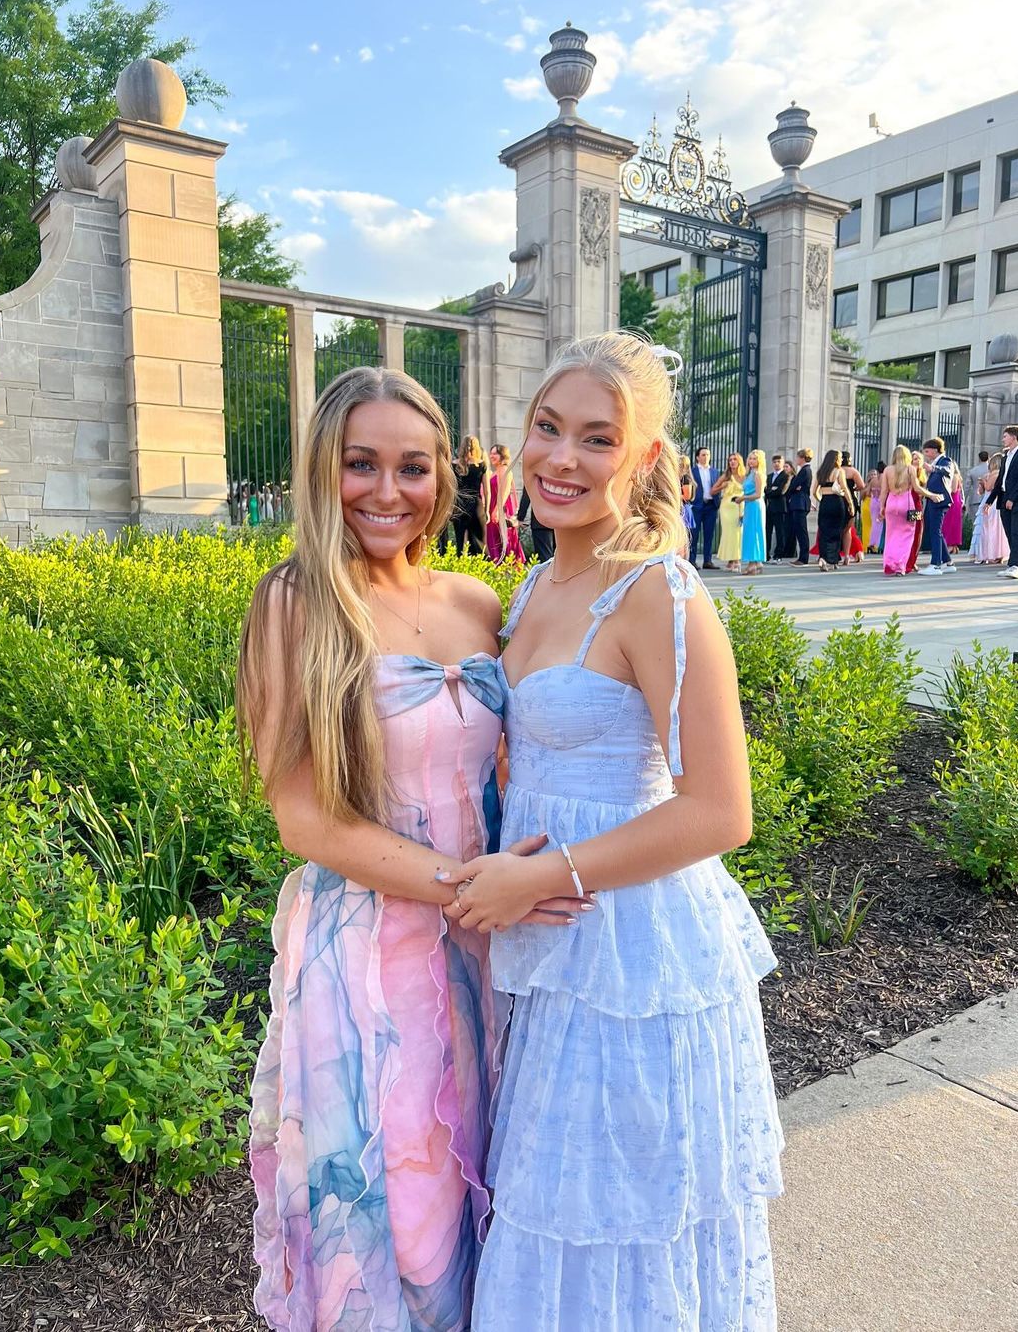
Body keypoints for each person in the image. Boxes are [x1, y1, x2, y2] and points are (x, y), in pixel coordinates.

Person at [438, 331, 782, 1331]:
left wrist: (546, 874)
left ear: (642, 457)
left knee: (623, 1215)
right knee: (553, 1203)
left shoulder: (658, 590)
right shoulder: (533, 587)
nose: (561, 458)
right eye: (548, 427)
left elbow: (721, 809)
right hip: (546, 946)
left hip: (632, 953)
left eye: (597, 438)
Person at [238, 367, 586, 1332]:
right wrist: (477, 888)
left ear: (444, 476)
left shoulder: (478, 601)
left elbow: (525, 756)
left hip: (490, 946)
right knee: (403, 1218)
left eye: (413, 466)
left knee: (490, 1196)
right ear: (324, 469)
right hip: (371, 963)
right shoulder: (296, 603)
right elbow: (306, 822)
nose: (387, 491)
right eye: (361, 464)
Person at [879, 445, 939, 576]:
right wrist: (931, 495)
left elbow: (883, 492)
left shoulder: (887, 470)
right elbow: (917, 488)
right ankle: (901, 566)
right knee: (907, 536)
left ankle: (890, 563)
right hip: (906, 504)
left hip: (891, 504)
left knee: (891, 536)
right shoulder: (910, 469)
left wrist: (881, 507)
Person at [920, 437, 958, 575]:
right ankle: (948, 562)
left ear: (935, 450)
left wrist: (933, 468)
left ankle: (935, 564)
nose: (925, 454)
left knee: (935, 531)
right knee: (935, 531)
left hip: (940, 500)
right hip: (933, 500)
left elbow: (947, 470)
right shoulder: (936, 462)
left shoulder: (945, 460)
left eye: (927, 451)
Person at [986, 424, 1018, 578]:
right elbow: (1000, 481)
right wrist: (990, 500)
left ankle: (1015, 565)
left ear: (1014, 437)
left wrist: (1013, 498)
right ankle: (1014, 564)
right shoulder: (1006, 456)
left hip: (1015, 499)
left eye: (1005, 436)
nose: (1003, 439)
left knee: (1016, 533)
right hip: (1004, 499)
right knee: (1009, 533)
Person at [813, 448, 853, 571]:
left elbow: (814, 491)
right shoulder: (839, 471)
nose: (841, 460)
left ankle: (823, 557)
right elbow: (844, 488)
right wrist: (850, 504)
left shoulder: (820, 472)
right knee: (836, 531)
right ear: (835, 459)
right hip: (837, 502)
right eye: (840, 458)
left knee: (824, 531)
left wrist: (821, 499)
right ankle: (833, 559)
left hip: (825, 502)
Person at [486, 443, 526, 564]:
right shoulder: (496, 471)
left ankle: (508, 565)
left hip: (502, 508)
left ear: (502, 455)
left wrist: (497, 510)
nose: (492, 456)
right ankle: (498, 564)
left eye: (495, 453)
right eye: (491, 453)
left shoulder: (504, 469)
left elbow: (505, 491)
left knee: (504, 536)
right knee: (495, 537)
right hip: (494, 507)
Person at [450, 434, 490, 555]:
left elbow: (451, 488)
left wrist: (450, 507)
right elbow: (487, 491)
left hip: (459, 505)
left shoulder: (454, 465)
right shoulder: (481, 465)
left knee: (460, 540)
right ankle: (479, 562)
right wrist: (487, 510)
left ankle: (461, 562)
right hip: (476, 504)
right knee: (478, 541)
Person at [971, 453, 1009, 564]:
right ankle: (998, 553)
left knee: (989, 529)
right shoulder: (998, 474)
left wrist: (983, 482)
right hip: (993, 501)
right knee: (997, 529)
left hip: (991, 502)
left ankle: (991, 553)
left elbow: (988, 488)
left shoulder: (994, 474)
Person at [735, 448, 767, 575]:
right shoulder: (750, 474)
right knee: (750, 533)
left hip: (755, 505)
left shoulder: (758, 474)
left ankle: (753, 564)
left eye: (754, 459)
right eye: (750, 458)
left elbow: (758, 494)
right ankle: (757, 563)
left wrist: (743, 498)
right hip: (749, 505)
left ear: (759, 461)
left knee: (754, 532)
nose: (751, 461)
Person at [689, 445, 720, 569]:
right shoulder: (693, 471)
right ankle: (692, 560)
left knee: (709, 534)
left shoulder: (715, 472)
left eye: (708, 454)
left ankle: (708, 561)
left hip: (711, 506)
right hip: (697, 506)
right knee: (694, 534)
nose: (706, 457)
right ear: (697, 457)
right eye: (703, 455)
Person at [715, 451, 746, 572]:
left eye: (734, 459)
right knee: (728, 534)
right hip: (726, 507)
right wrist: (723, 486)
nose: (732, 462)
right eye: (730, 460)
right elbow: (713, 490)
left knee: (738, 533)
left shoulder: (745, 476)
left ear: (739, 461)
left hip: (739, 507)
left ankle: (736, 560)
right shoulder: (726, 476)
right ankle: (731, 560)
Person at [839, 451, 867, 563]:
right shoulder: (853, 471)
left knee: (837, 528)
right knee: (848, 530)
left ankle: (835, 553)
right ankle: (846, 556)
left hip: (839, 499)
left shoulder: (836, 471)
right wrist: (854, 489)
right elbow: (862, 485)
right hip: (850, 499)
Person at [787, 448, 813, 565]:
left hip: (800, 503)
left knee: (801, 531)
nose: (796, 459)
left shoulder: (805, 470)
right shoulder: (804, 470)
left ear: (802, 458)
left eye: (798, 457)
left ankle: (803, 558)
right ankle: (802, 557)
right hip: (799, 503)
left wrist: (795, 487)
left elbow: (793, 485)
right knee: (799, 530)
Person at [516, 485, 555, 562]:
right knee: (559, 556)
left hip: (540, 521)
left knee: (545, 557)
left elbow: (527, 495)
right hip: (559, 521)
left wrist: (520, 517)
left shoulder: (535, 478)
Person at [764, 453, 790, 563]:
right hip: (769, 507)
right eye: (774, 462)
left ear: (783, 463)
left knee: (780, 532)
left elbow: (780, 491)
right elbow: (765, 491)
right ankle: (766, 554)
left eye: (779, 462)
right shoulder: (769, 476)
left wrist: (771, 491)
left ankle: (778, 555)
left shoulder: (785, 476)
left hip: (779, 507)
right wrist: (771, 490)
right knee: (767, 531)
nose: (776, 464)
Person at [905, 451, 929, 573]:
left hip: (918, 506)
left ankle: (913, 560)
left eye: (919, 459)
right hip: (910, 505)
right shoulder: (909, 473)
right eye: (914, 459)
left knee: (918, 533)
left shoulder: (922, 475)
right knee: (910, 533)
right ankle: (907, 561)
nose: (917, 461)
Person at [867, 461, 886, 553]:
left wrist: (874, 493)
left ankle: (871, 543)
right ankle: (878, 545)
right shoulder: (885, 478)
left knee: (874, 523)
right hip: (881, 501)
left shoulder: (873, 480)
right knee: (881, 524)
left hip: (873, 501)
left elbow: (867, 492)